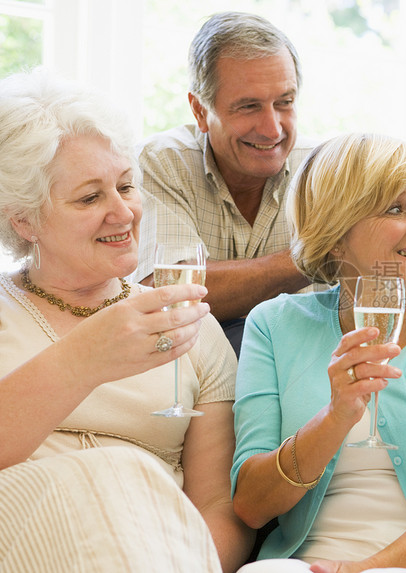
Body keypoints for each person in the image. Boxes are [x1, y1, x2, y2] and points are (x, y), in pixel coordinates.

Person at [0, 69, 252, 572]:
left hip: (151, 553)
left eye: (126, 186)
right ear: (24, 219)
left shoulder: (190, 325)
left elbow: (218, 512)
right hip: (0, 541)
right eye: (90, 197)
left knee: (126, 485)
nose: (124, 213)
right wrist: (84, 359)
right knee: (110, 474)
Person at [230, 133, 406, 572]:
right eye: (396, 209)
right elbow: (252, 504)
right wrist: (335, 418)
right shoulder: (274, 324)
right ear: (335, 237)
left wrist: (361, 570)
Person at [135, 12, 316, 354]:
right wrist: (310, 259)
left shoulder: (324, 169)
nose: (273, 129)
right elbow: (166, 294)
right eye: (249, 107)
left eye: (285, 103)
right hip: (186, 373)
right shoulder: (160, 163)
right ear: (200, 111)